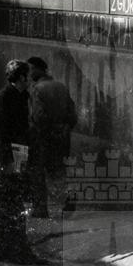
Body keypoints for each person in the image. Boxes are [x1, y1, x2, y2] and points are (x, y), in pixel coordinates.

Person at [0, 60, 45, 264]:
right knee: (11, 205)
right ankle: (16, 251)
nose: (30, 79)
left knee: (11, 204)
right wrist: (7, 162)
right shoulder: (3, 98)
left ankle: (8, 251)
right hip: (9, 160)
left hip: (20, 157)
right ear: (21, 77)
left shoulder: (23, 97)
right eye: (28, 76)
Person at [26, 56, 77, 218]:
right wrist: (63, 129)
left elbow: (38, 117)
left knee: (38, 173)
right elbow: (73, 115)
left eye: (31, 69)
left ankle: (41, 210)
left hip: (43, 139)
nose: (29, 73)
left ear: (39, 70)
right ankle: (68, 197)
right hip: (62, 138)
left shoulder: (37, 89)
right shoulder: (61, 87)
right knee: (58, 171)